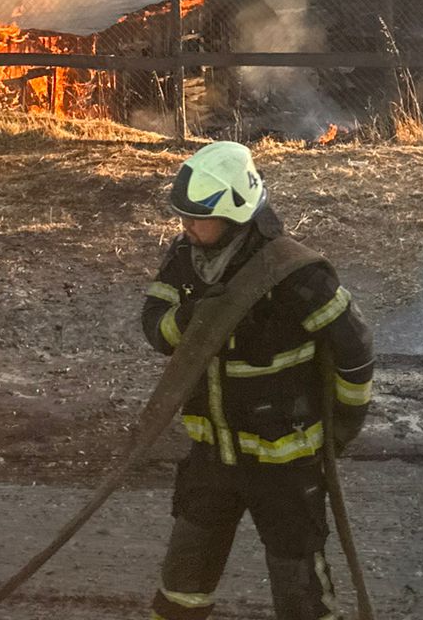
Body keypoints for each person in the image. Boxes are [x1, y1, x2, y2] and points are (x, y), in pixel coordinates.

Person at [142, 141, 373, 620]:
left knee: (300, 594)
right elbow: (155, 325)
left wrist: (345, 424)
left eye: (197, 217)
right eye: (182, 216)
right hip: (211, 457)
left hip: (284, 465)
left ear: (234, 212)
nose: (186, 226)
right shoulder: (187, 260)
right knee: (182, 585)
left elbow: (355, 347)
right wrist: (192, 320)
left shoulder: (294, 274)